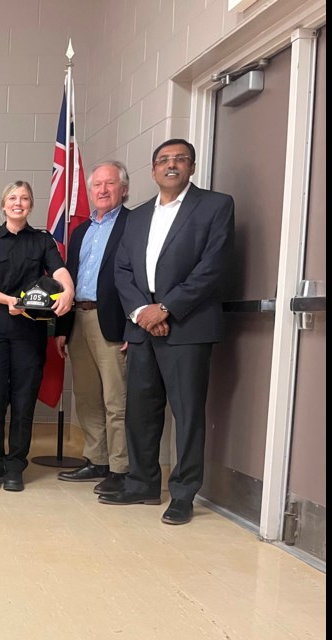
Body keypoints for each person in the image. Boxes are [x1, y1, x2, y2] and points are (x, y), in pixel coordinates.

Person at [99, 139, 235, 526]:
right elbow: (122, 269)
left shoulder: (215, 206)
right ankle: (142, 483)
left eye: (179, 160)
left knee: (188, 413)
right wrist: (143, 311)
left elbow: (212, 266)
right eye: (163, 160)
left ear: (191, 166)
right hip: (143, 327)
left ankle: (183, 494)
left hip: (188, 327)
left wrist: (168, 307)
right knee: (140, 411)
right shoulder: (138, 215)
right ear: (153, 169)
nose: (171, 166)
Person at [0, 181, 75, 492]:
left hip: (29, 331)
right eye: (12, 198)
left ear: (30, 205)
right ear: (3, 205)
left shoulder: (42, 241)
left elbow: (59, 271)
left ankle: (15, 466)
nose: (18, 203)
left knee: (23, 402)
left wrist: (68, 290)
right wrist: (9, 301)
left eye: (24, 198)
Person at [53, 161, 132, 495]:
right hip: (80, 319)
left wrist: (133, 327)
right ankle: (96, 459)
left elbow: (139, 279)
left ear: (124, 189)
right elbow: (68, 280)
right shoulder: (81, 231)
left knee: (117, 399)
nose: (101, 190)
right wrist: (62, 327)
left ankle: (120, 468)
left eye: (109, 184)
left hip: (112, 321)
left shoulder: (133, 224)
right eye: (96, 185)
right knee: (85, 397)